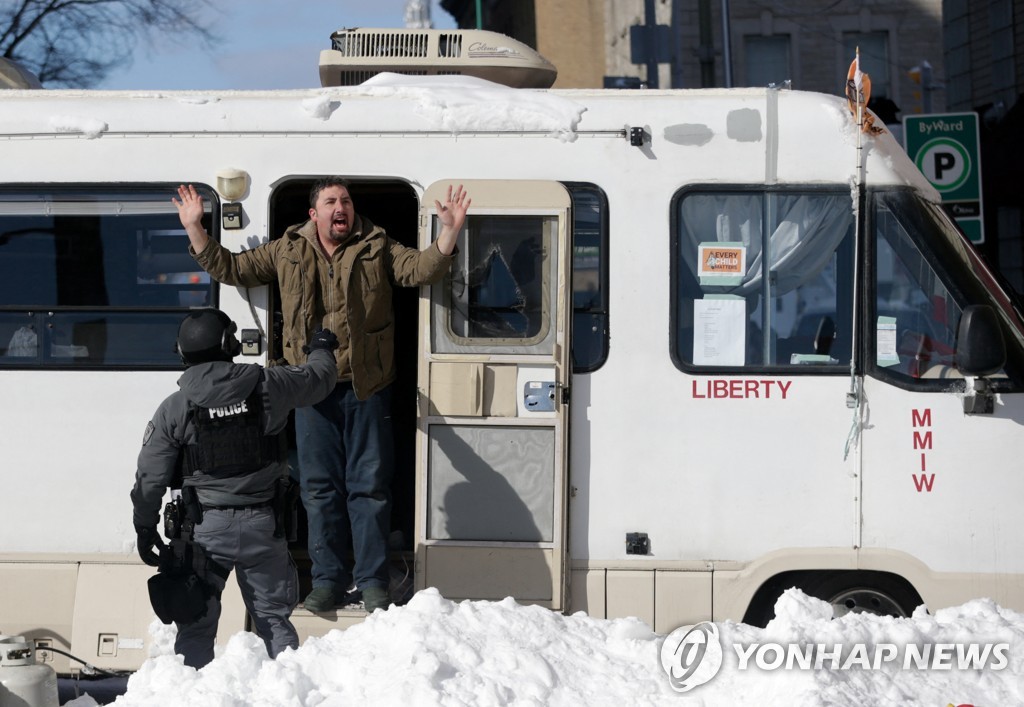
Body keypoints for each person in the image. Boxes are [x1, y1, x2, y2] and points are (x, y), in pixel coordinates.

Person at [172, 178, 471, 613]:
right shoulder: (287, 248)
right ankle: (328, 580)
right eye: (331, 201)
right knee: (318, 490)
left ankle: (371, 582)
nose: (341, 207)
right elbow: (233, 269)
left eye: (346, 201)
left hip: (367, 388)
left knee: (368, 489)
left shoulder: (377, 244)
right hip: (310, 390)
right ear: (313, 214)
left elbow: (420, 269)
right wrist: (195, 227)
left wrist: (449, 232)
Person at [131, 309, 339, 668]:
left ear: (182, 352)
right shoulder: (270, 384)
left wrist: (145, 524)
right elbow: (320, 378)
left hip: (203, 533)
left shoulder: (176, 407)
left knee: (195, 629)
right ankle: (288, 693)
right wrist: (321, 346)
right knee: (275, 623)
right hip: (265, 524)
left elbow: (151, 477)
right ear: (230, 345)